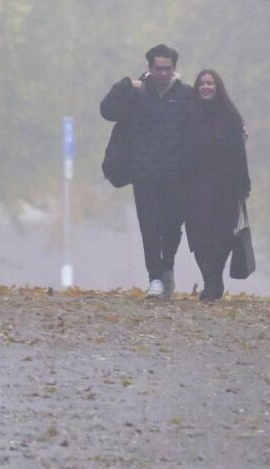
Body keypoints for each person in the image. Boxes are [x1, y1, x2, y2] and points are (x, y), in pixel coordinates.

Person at [100, 44, 192, 299]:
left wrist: (236, 132)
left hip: (176, 175)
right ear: (150, 68)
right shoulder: (136, 94)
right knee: (149, 227)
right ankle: (154, 279)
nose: (162, 73)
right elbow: (107, 111)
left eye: (167, 68)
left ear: (174, 69)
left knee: (172, 228)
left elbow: (208, 120)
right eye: (158, 68)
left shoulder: (186, 96)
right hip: (144, 173)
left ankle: (167, 267)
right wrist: (124, 85)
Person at [182, 70, 251, 301]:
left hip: (226, 187)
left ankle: (214, 280)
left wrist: (243, 186)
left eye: (210, 83)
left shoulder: (230, 117)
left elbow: (239, 154)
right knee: (199, 238)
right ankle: (210, 281)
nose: (205, 87)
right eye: (202, 83)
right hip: (195, 186)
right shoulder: (188, 114)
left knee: (221, 236)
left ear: (217, 86)